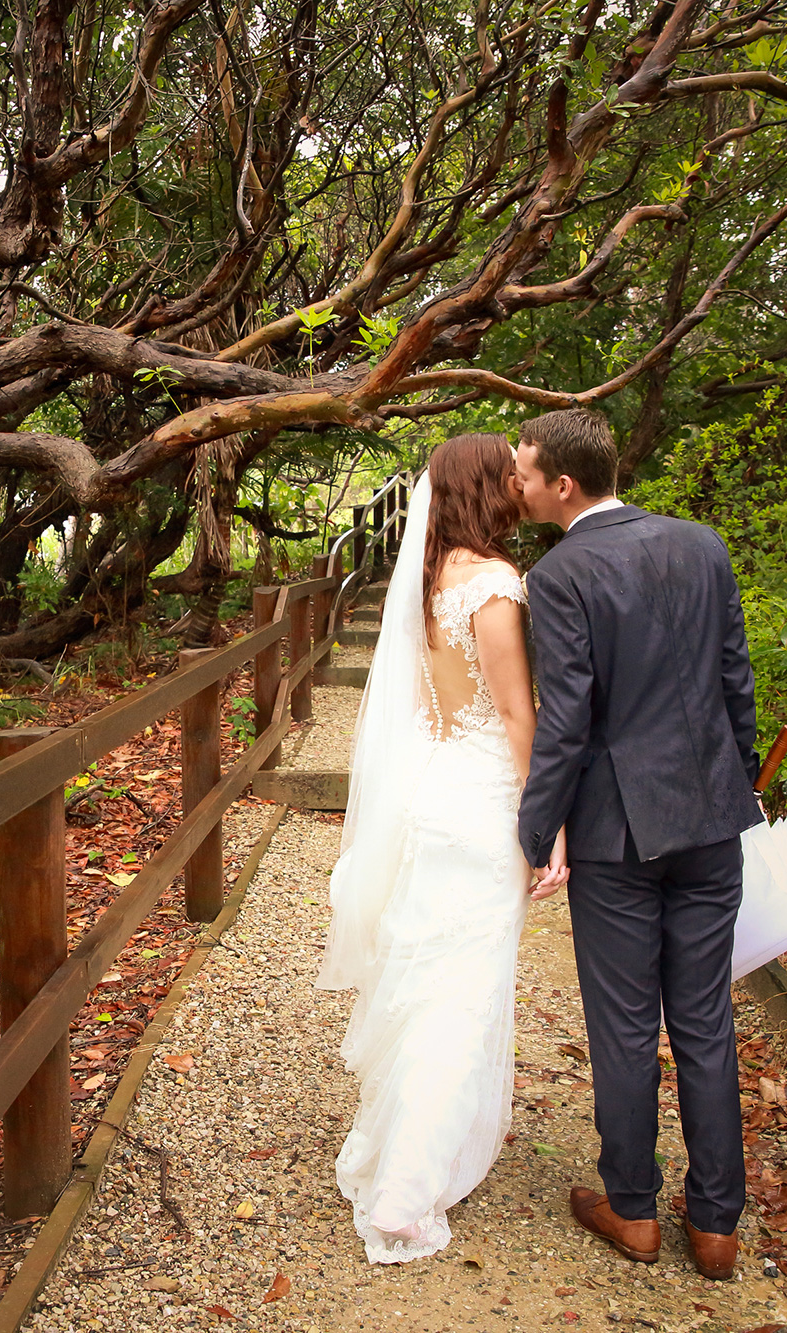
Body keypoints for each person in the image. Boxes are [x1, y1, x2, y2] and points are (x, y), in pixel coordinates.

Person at [512, 408, 761, 1282]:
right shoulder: (703, 545)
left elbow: (568, 722)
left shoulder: (559, 574)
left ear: (563, 486)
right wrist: (743, 787)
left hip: (619, 831)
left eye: (525, 471)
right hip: (710, 818)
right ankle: (718, 1225)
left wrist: (534, 829)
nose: (518, 483)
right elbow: (735, 680)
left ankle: (633, 1207)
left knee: (622, 1026)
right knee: (704, 1020)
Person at [315, 433, 564, 1264]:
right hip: (484, 806)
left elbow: (434, 708)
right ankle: (403, 1196)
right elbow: (518, 713)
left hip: (437, 793)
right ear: (481, 489)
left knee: (429, 983)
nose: (514, 485)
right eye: (505, 476)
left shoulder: (427, 583)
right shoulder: (493, 586)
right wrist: (548, 820)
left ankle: (403, 1151)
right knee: (461, 995)